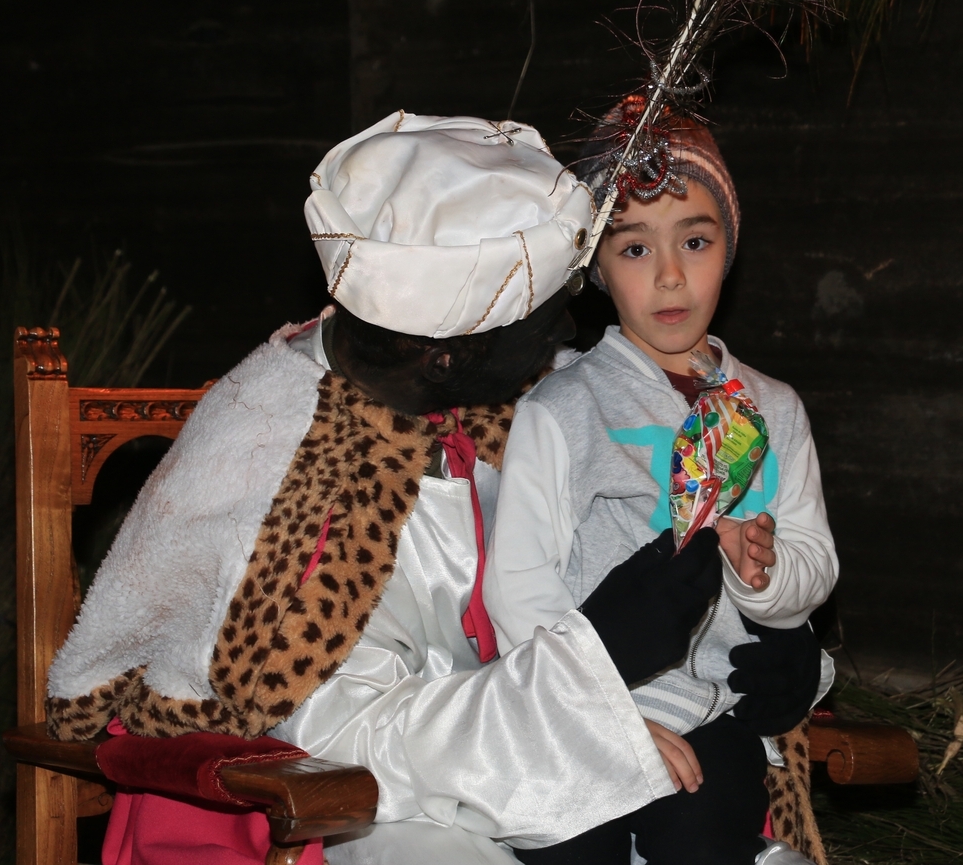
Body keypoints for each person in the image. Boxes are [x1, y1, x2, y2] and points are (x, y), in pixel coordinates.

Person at [45, 111, 822, 865]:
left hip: (536, 754)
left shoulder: (514, 390)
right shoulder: (286, 479)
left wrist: (791, 657)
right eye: (545, 320)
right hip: (349, 801)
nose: (567, 335)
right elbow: (351, 740)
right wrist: (590, 685)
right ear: (446, 357)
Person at [484, 96, 839, 865]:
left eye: (696, 241)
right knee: (575, 841)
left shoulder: (774, 408)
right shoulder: (565, 408)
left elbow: (815, 564)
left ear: (730, 248)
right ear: (599, 268)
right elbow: (519, 587)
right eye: (636, 248)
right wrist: (596, 713)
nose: (671, 275)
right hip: (587, 703)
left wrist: (762, 577)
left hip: (718, 714)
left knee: (704, 828)